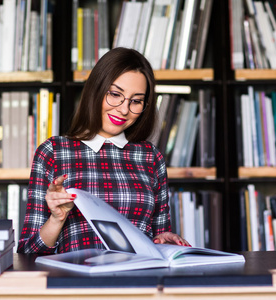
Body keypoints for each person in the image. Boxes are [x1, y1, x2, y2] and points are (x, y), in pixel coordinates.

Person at [17, 47, 190, 255]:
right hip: (78, 283)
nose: (124, 109)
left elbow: (159, 239)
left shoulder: (151, 157)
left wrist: (166, 241)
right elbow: (27, 254)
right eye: (115, 95)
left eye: (136, 101)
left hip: (139, 281)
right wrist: (56, 219)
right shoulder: (53, 152)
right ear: (96, 90)